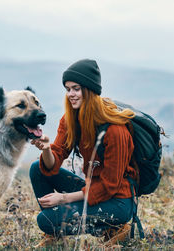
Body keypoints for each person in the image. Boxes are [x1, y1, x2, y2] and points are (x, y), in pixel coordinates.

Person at [29, 59, 137, 247]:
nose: (71, 94)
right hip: (92, 190)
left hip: (117, 201)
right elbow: (54, 160)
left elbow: (108, 187)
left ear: (89, 90)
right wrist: (46, 149)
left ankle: (116, 227)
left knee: (45, 220)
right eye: (68, 89)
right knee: (36, 169)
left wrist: (63, 199)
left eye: (76, 88)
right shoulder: (71, 119)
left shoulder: (115, 131)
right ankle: (55, 232)